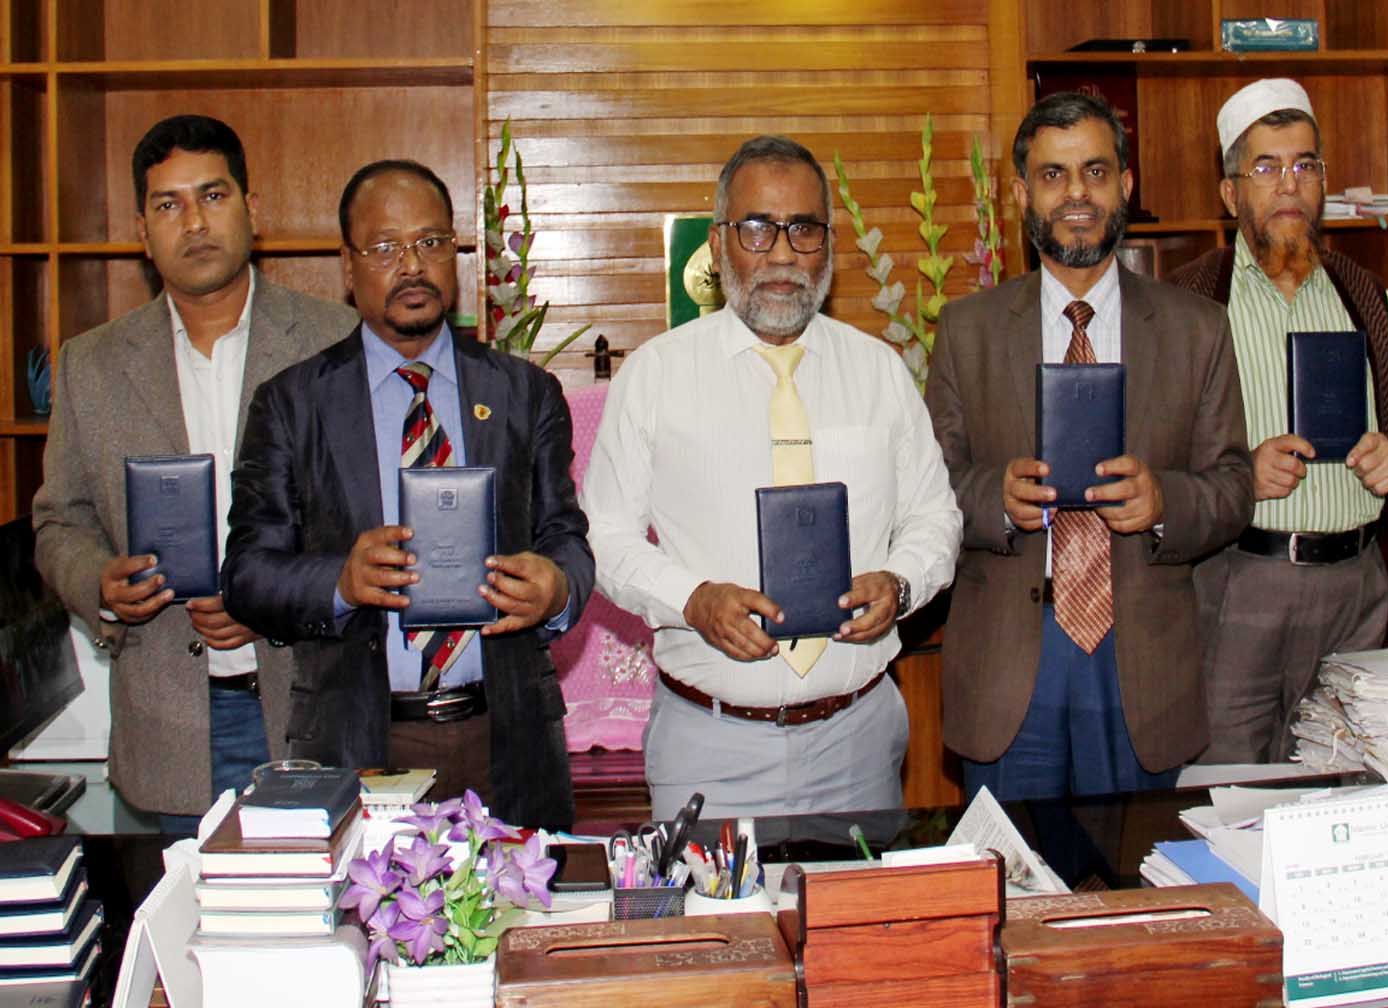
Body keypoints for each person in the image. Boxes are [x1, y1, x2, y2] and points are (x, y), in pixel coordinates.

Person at [585, 136, 961, 819]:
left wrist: (901, 584)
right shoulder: (655, 375)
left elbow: (934, 517)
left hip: (858, 741)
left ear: (830, 245)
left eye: (804, 229)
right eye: (758, 228)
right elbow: (605, 537)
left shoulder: (878, 372)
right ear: (718, 243)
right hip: (708, 745)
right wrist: (693, 600)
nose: (783, 254)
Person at [221, 160, 594, 828]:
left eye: (430, 242)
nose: (412, 265)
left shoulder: (524, 393)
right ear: (347, 265)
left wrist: (557, 586)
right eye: (385, 247)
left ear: (456, 253)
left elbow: (567, 539)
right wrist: (341, 580)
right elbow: (247, 576)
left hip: (505, 739)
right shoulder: (292, 404)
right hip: (359, 744)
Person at [926, 92, 1254, 800]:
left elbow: (1234, 485)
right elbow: (932, 485)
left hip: (1143, 668)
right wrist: (994, 498)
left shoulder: (1198, 328)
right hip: (1011, 664)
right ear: (1022, 194)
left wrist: (1165, 500)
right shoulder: (967, 330)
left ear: (1125, 185)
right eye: (1053, 175)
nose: (1076, 194)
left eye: (1096, 172)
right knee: (1013, 869)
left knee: (1137, 869)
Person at [32, 115, 355, 831]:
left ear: (251, 210)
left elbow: (372, 520)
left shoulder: (335, 342)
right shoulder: (91, 363)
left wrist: (275, 599)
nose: (195, 222)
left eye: (213, 195)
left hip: (314, 709)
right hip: (168, 722)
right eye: (168, 204)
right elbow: (60, 520)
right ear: (143, 232)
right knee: (177, 905)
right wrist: (101, 584)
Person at [1169, 79, 1388, 763]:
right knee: (1227, 789)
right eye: (1266, 167)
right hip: (1237, 584)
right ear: (1230, 192)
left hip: (1356, 590)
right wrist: (1239, 477)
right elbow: (1151, 469)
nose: (1289, 185)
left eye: (1305, 165)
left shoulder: (1365, 296)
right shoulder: (1188, 303)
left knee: (1343, 785)